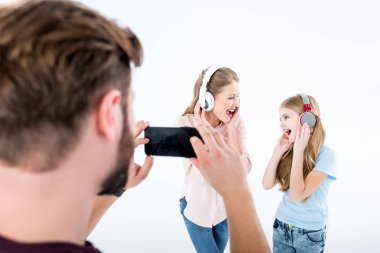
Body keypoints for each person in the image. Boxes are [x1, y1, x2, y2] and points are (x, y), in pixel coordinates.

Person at [0, 1, 269, 252]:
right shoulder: (189, 122)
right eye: (131, 104)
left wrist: (116, 187)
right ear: (110, 115)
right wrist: (238, 193)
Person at [176, 66, 252, 253]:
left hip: (224, 215)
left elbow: (244, 170)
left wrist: (232, 129)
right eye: (231, 97)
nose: (236, 104)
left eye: (238, 97)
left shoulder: (236, 123)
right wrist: (203, 127)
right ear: (207, 99)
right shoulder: (185, 125)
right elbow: (203, 169)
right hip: (196, 212)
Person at [262, 94, 337, 253]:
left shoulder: (327, 156)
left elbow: (297, 194)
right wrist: (277, 152)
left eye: (286, 117)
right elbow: (267, 184)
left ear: (306, 120)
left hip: (309, 234)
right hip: (281, 226)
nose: (280, 124)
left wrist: (298, 152)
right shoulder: (290, 149)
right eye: (280, 118)